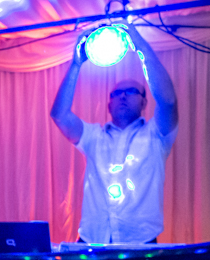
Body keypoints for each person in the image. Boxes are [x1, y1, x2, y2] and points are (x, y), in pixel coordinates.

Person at [50, 21, 179, 244]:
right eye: (116, 93)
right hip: (92, 239)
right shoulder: (93, 137)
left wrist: (139, 46)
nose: (122, 96)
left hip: (141, 242)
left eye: (131, 91)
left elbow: (168, 102)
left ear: (144, 102)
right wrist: (76, 65)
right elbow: (59, 115)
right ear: (108, 104)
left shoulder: (156, 135)